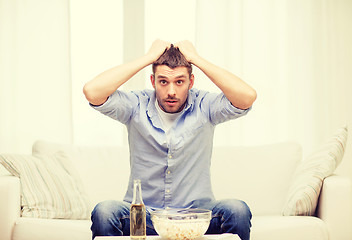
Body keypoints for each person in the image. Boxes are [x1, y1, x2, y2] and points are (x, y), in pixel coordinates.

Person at [83, 39, 257, 240]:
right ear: (153, 81)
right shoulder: (135, 105)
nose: (171, 91)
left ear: (191, 82)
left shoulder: (205, 106)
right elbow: (92, 91)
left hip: (195, 216)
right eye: (163, 81)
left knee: (238, 210)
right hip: (144, 217)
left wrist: (196, 59)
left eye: (180, 82)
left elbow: (247, 96)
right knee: (105, 211)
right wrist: (148, 58)